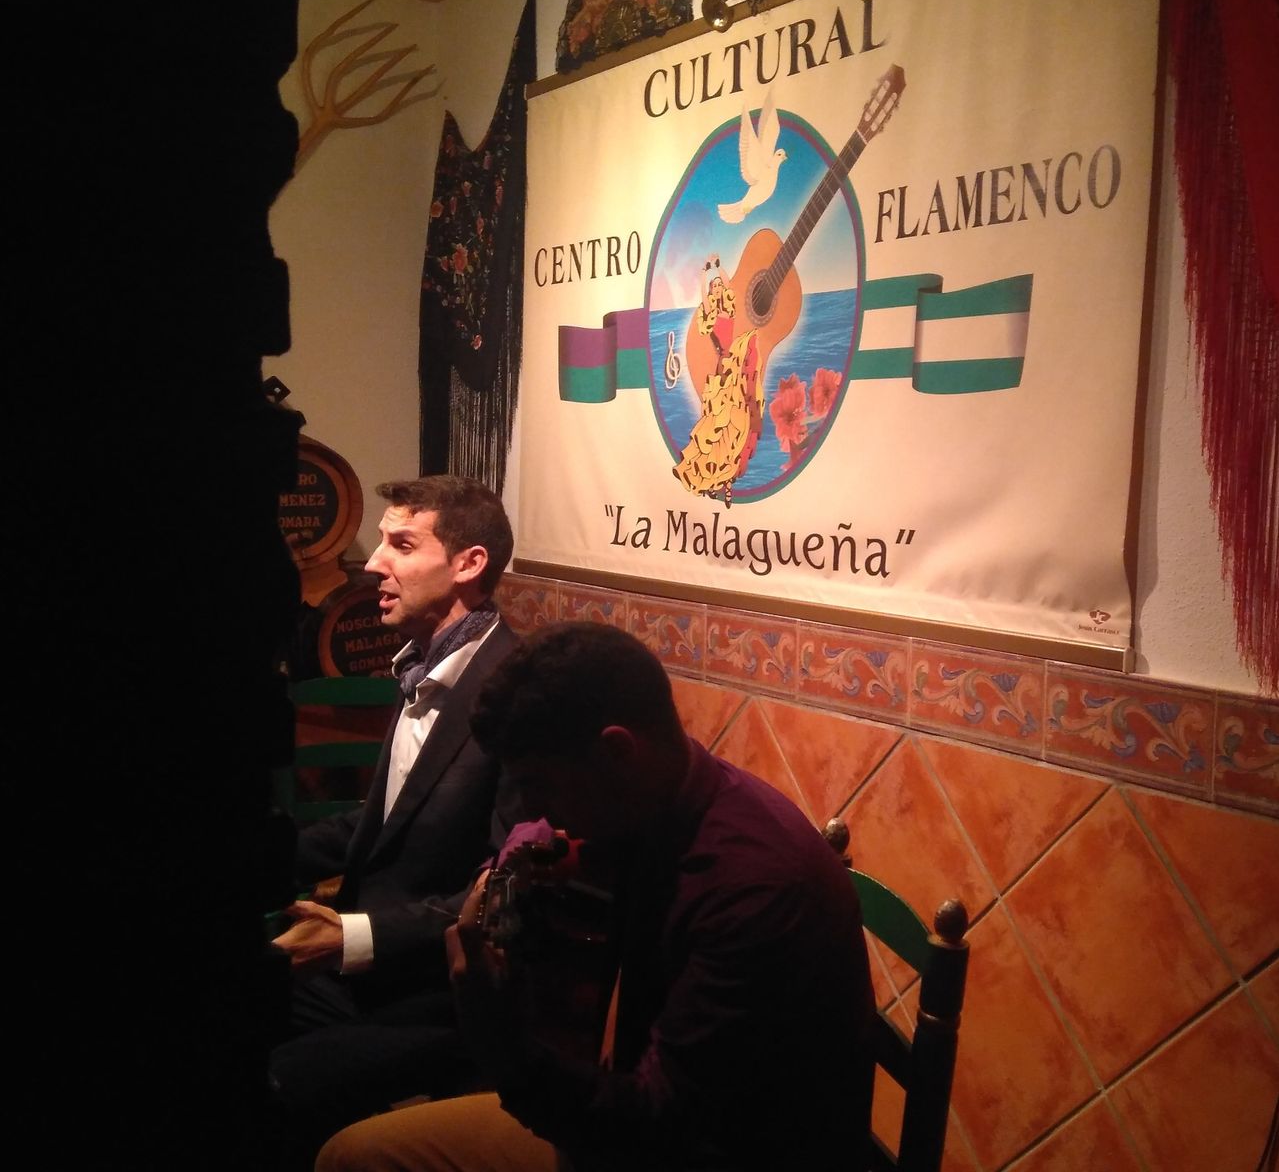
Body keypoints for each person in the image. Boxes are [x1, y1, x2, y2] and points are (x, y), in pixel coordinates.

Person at [316, 622, 876, 1172]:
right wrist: (508, 874)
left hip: (716, 1150)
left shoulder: (753, 889)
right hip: (641, 1116)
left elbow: (654, 1129)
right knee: (353, 1154)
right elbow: (534, 838)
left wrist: (499, 1043)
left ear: (616, 752)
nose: (535, 810)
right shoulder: (663, 796)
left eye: (539, 784)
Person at [270, 474, 520, 1167]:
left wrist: (351, 935)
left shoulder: (515, 696)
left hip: (441, 997)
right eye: (380, 541)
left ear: (468, 564)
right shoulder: (425, 664)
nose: (374, 563)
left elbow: (503, 895)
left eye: (400, 545)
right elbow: (378, 823)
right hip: (365, 978)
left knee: (278, 1088)